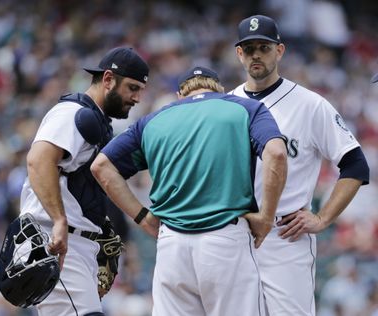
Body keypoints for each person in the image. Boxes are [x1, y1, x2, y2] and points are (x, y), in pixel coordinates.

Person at [91, 66, 288, 316]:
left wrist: (142, 217)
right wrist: (266, 218)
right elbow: (277, 153)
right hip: (226, 238)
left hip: (171, 245)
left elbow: (101, 166)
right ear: (219, 89)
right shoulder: (244, 107)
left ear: (179, 95)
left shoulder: (153, 120)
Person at [231, 15, 370, 316]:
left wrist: (322, 218)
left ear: (279, 51)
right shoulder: (225, 105)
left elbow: (355, 165)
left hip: (285, 235)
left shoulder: (310, 104)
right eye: (249, 47)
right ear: (239, 53)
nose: (256, 54)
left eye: (264, 47)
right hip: (233, 233)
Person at [18, 47, 149, 316]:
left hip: (74, 244)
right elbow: (38, 160)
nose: (136, 98)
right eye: (132, 88)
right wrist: (58, 220)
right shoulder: (73, 113)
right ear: (109, 79)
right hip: (56, 241)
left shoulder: (98, 122)